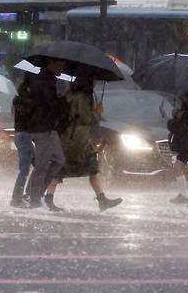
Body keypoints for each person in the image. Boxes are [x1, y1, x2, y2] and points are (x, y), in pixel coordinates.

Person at [44, 73, 123, 212]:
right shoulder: (82, 96)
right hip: (76, 140)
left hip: (78, 138)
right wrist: (97, 113)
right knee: (63, 170)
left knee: (91, 169)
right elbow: (84, 118)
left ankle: (102, 199)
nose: (96, 81)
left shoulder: (78, 94)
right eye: (94, 79)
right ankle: (48, 198)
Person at [26, 58, 70, 211]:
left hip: (49, 127)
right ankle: (34, 200)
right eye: (59, 64)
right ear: (50, 63)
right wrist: (65, 100)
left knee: (58, 160)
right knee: (42, 165)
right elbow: (50, 106)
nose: (62, 68)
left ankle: (34, 195)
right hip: (42, 127)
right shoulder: (43, 81)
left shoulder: (50, 80)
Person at [9, 75, 35, 208]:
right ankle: (16, 199)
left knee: (38, 165)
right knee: (24, 170)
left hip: (21, 135)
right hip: (24, 136)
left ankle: (27, 194)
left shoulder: (17, 99)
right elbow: (30, 118)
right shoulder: (28, 101)